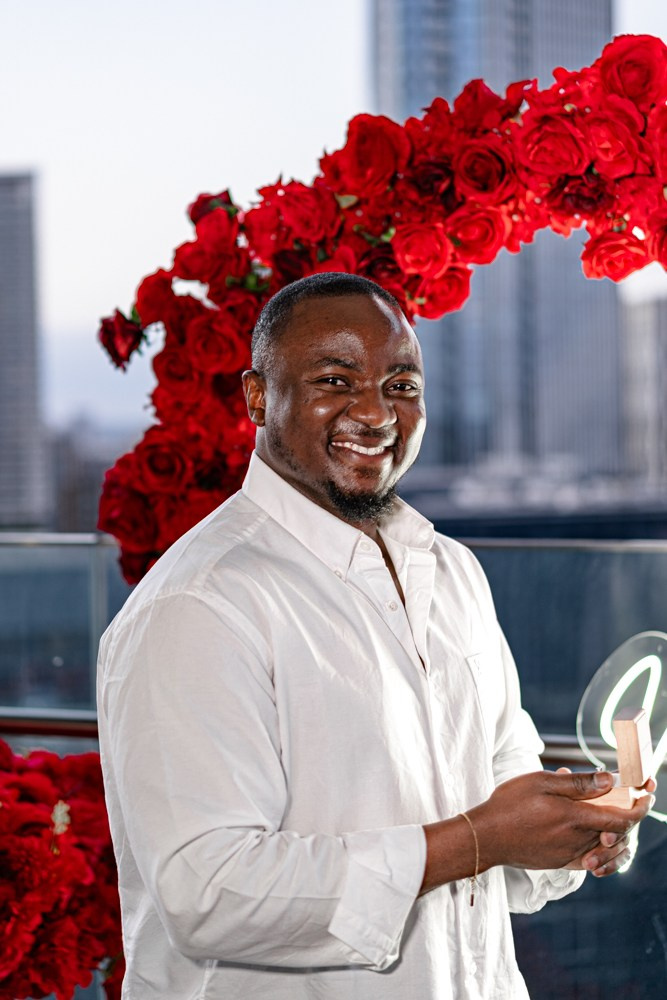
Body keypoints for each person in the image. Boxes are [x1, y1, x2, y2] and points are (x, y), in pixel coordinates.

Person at [97, 272, 654, 999]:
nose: (375, 412)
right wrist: (479, 838)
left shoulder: (451, 572)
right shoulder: (199, 603)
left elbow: (501, 809)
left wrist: (574, 834)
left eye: (400, 383)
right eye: (336, 379)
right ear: (258, 396)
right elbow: (208, 894)